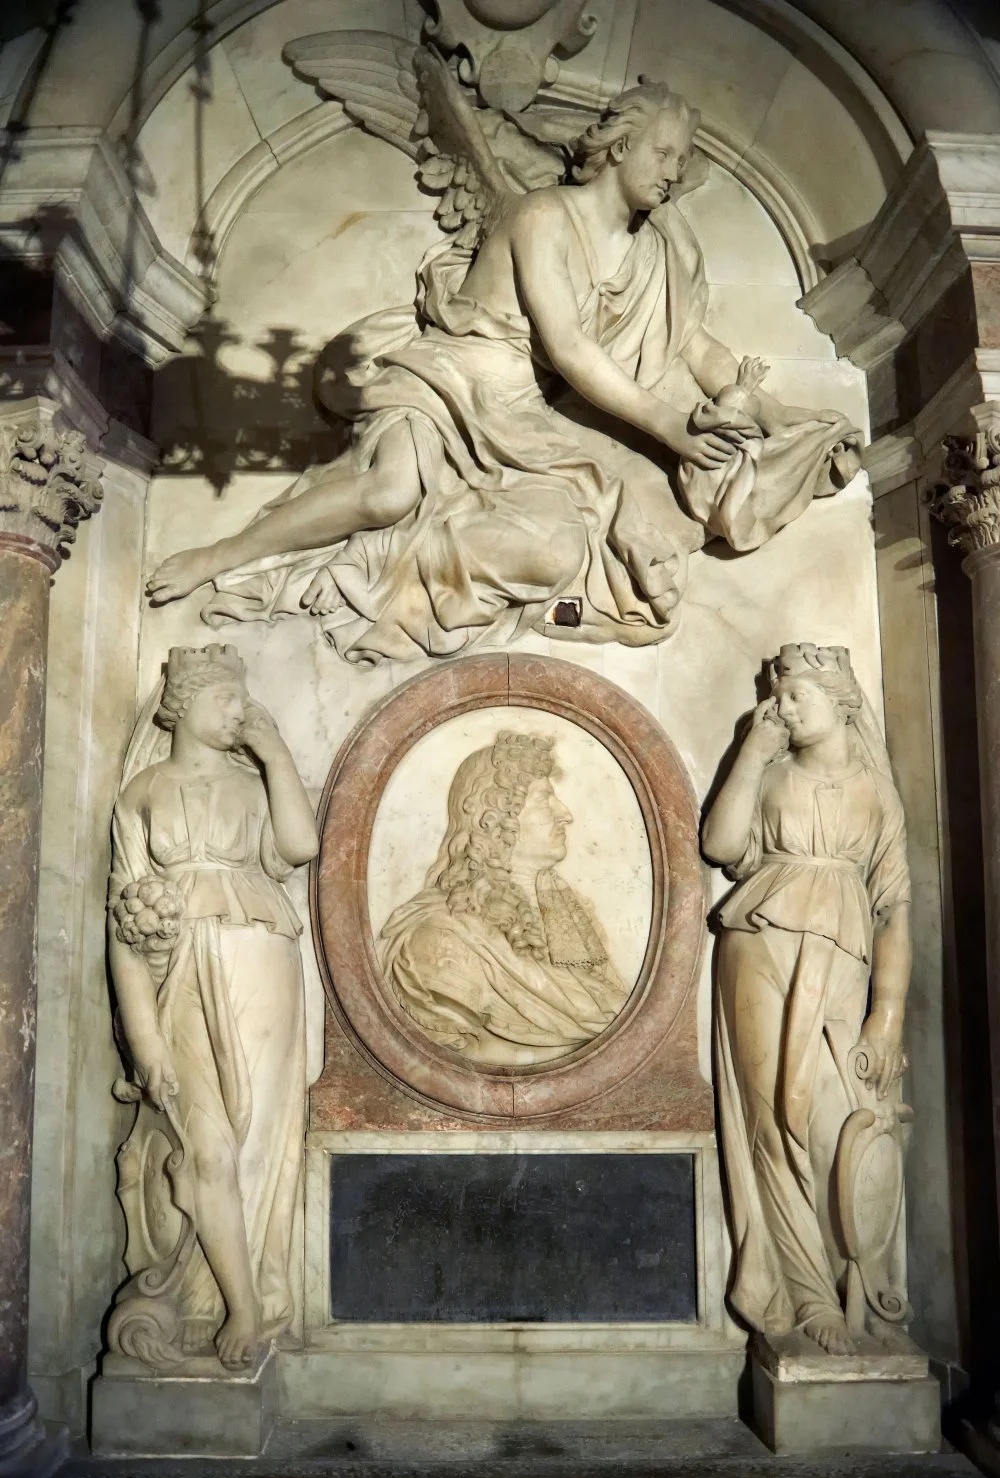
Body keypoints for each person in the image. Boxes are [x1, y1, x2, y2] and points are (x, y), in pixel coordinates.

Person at [146, 81, 860, 664]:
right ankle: (222, 553)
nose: (675, 171)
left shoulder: (649, 256)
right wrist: (670, 425)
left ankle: (437, 586)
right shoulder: (542, 216)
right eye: (665, 152)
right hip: (447, 380)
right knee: (391, 492)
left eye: (682, 158)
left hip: (521, 412)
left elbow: (697, 349)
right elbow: (573, 348)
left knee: (573, 542)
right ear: (616, 148)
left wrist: (783, 417)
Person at [106, 645, 319, 1371]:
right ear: (183, 705)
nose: (238, 710)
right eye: (226, 698)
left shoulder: (254, 787)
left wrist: (275, 752)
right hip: (179, 977)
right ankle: (229, 1303)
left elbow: (300, 845)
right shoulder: (141, 794)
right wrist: (147, 1047)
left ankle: (247, 1294)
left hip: (262, 956)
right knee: (208, 1147)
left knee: (255, 1133)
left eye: (242, 699)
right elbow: (123, 932)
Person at [701, 643, 910, 1356]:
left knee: (834, 1120)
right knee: (772, 1120)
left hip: (843, 960)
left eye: (795, 696)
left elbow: (896, 914)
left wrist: (887, 1017)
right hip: (758, 945)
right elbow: (720, 843)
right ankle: (806, 1293)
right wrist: (752, 753)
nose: (782, 707)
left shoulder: (877, 795)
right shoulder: (772, 774)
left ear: (841, 699)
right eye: (777, 695)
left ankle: (856, 1284)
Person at [381, 731, 627, 1065]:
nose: (565, 814)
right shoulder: (445, 935)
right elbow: (455, 1054)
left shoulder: (571, 920)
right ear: (496, 819)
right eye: (543, 799)